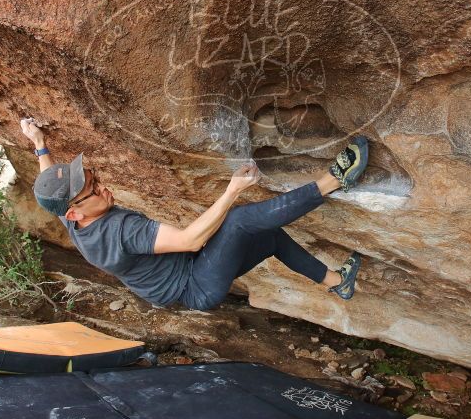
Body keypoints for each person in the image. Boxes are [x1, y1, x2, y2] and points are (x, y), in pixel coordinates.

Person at [20, 117, 369, 311]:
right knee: (238, 220)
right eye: (92, 190)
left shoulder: (72, 215)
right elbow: (191, 240)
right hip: (195, 285)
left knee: (270, 236)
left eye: (94, 178)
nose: (102, 187)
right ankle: (333, 181)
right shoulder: (119, 231)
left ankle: (337, 283)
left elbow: (53, 187)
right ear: (76, 212)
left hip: (189, 273)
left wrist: (39, 143)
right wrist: (231, 191)